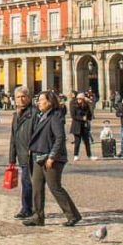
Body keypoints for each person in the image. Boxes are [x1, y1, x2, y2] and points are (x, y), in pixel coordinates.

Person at [23, 91, 82, 227]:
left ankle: (73, 215)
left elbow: (60, 137)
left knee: (55, 187)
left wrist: (52, 156)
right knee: (37, 187)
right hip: (38, 156)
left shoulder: (55, 116)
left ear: (49, 102)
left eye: (41, 100)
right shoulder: (41, 116)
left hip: (51, 158)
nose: (38, 102)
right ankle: (38, 216)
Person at [8, 87, 36, 219]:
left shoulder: (34, 114)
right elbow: (13, 138)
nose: (21, 99)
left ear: (29, 98)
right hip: (22, 155)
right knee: (26, 182)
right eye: (18, 97)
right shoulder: (16, 115)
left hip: (33, 155)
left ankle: (30, 208)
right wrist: (12, 158)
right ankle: (27, 208)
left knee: (33, 183)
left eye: (23, 96)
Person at [69, 94, 95, 161]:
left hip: (84, 126)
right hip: (76, 125)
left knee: (87, 141)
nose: (79, 100)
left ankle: (89, 155)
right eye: (78, 99)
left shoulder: (86, 105)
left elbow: (89, 115)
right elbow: (73, 115)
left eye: (81, 99)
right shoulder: (74, 105)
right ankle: (76, 155)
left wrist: (90, 105)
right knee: (77, 142)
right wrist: (82, 118)